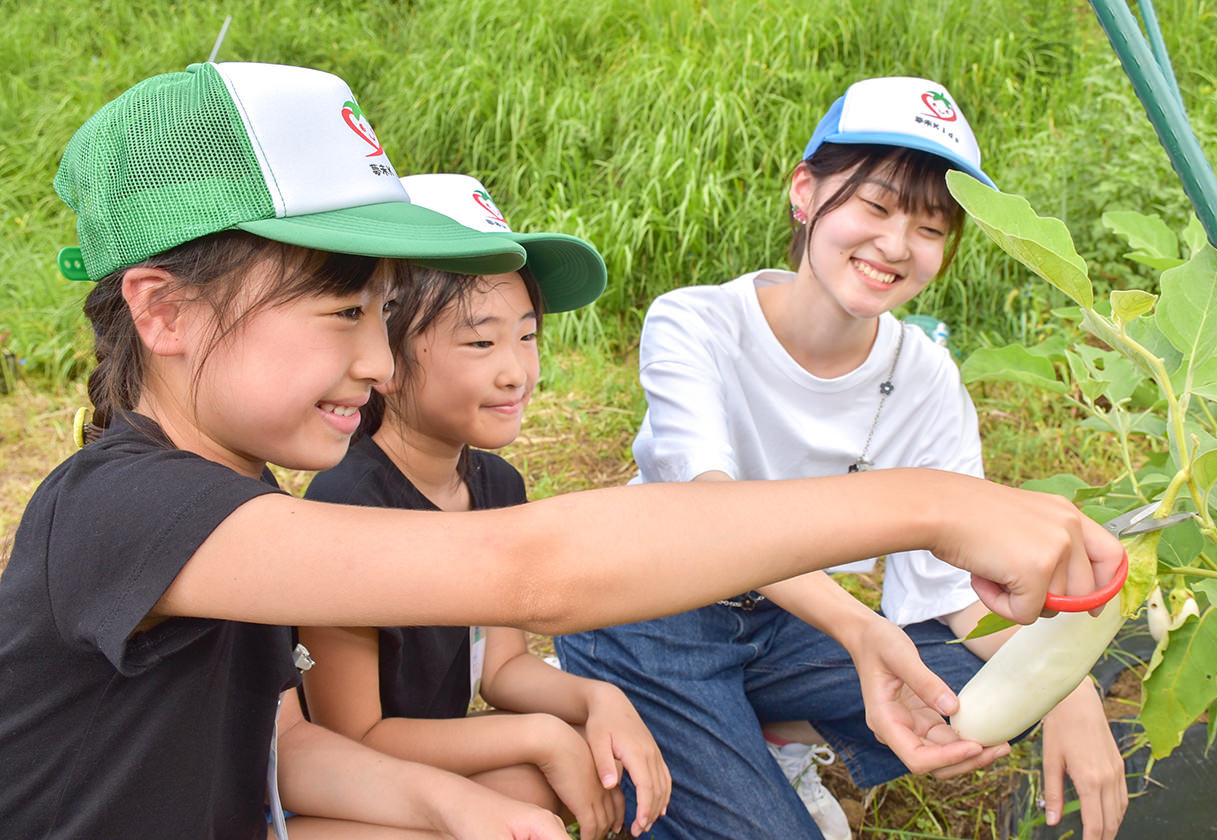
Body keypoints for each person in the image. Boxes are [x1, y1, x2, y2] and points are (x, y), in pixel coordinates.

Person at [0, 62, 1124, 839]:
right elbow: (534, 569)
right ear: (165, 311)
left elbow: (280, 754)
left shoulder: (234, 493)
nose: (383, 368)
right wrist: (925, 503)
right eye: (343, 315)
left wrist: (459, 811)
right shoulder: (126, 509)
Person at [554, 76, 1128, 840]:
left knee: (989, 698)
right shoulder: (697, 323)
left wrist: (1067, 689)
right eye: (876, 204)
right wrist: (859, 631)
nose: (896, 245)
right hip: (654, 610)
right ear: (805, 192)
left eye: (930, 226)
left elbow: (950, 595)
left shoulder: (923, 375)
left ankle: (758, 731)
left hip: (786, 624)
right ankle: (629, 701)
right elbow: (707, 518)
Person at [299, 173, 669, 840]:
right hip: (343, 792)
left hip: (426, 756)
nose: (516, 372)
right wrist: (538, 735)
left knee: (559, 767)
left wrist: (595, 697)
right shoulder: (348, 507)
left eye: (526, 336)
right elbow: (349, 735)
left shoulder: (495, 485)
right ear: (388, 355)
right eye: (481, 342)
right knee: (544, 767)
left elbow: (502, 669)